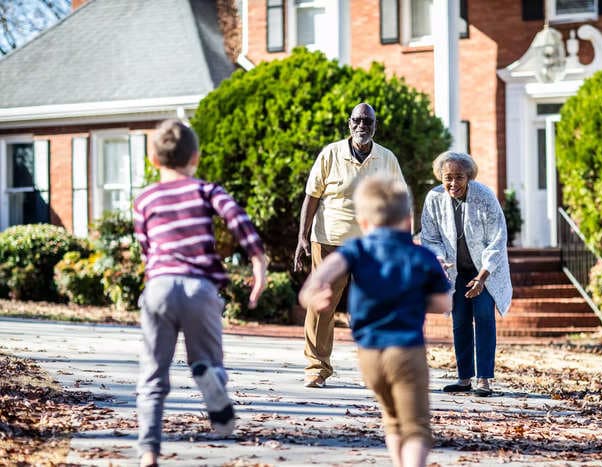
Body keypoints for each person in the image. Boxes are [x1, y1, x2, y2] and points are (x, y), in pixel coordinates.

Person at [133, 119, 267, 467]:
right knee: (208, 361)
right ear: (196, 156)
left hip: (160, 288)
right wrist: (258, 263)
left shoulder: (144, 199)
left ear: (153, 160)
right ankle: (211, 378)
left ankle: (149, 451)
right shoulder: (207, 190)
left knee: (153, 373)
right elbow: (238, 219)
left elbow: (146, 250)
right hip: (200, 289)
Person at [299, 175, 451, 467]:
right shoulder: (422, 256)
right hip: (407, 351)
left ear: (364, 223)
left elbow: (314, 283)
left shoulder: (355, 250)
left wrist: (314, 298)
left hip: (369, 356)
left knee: (393, 420)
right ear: (408, 220)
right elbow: (443, 303)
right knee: (416, 426)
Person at [293, 103, 407, 388]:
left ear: (375, 125)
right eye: (357, 120)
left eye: (368, 121)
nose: (362, 126)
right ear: (349, 123)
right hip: (330, 241)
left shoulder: (386, 158)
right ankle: (316, 368)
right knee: (322, 305)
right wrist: (302, 238)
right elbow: (312, 197)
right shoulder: (331, 154)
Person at [420, 151, 512, 397]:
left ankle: (484, 379)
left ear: (469, 176)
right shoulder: (434, 198)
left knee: (483, 316)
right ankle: (464, 379)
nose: (453, 183)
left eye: (459, 177)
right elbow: (430, 237)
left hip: (485, 270)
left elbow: (498, 238)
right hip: (455, 270)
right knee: (459, 321)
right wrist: (438, 258)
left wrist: (482, 277)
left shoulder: (484, 196)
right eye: (447, 177)